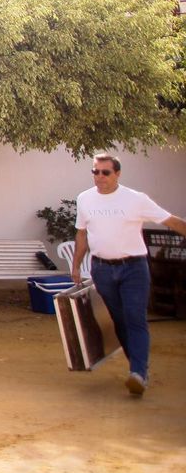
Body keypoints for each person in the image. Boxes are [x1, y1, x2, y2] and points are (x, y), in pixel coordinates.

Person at [71, 154, 186, 396]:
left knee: (135, 318)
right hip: (102, 269)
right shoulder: (85, 199)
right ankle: (138, 364)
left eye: (105, 172)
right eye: (95, 172)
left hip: (133, 268)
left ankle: (138, 373)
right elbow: (81, 235)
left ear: (117, 174)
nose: (99, 177)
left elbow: (172, 221)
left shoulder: (135, 199)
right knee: (119, 320)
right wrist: (75, 266)